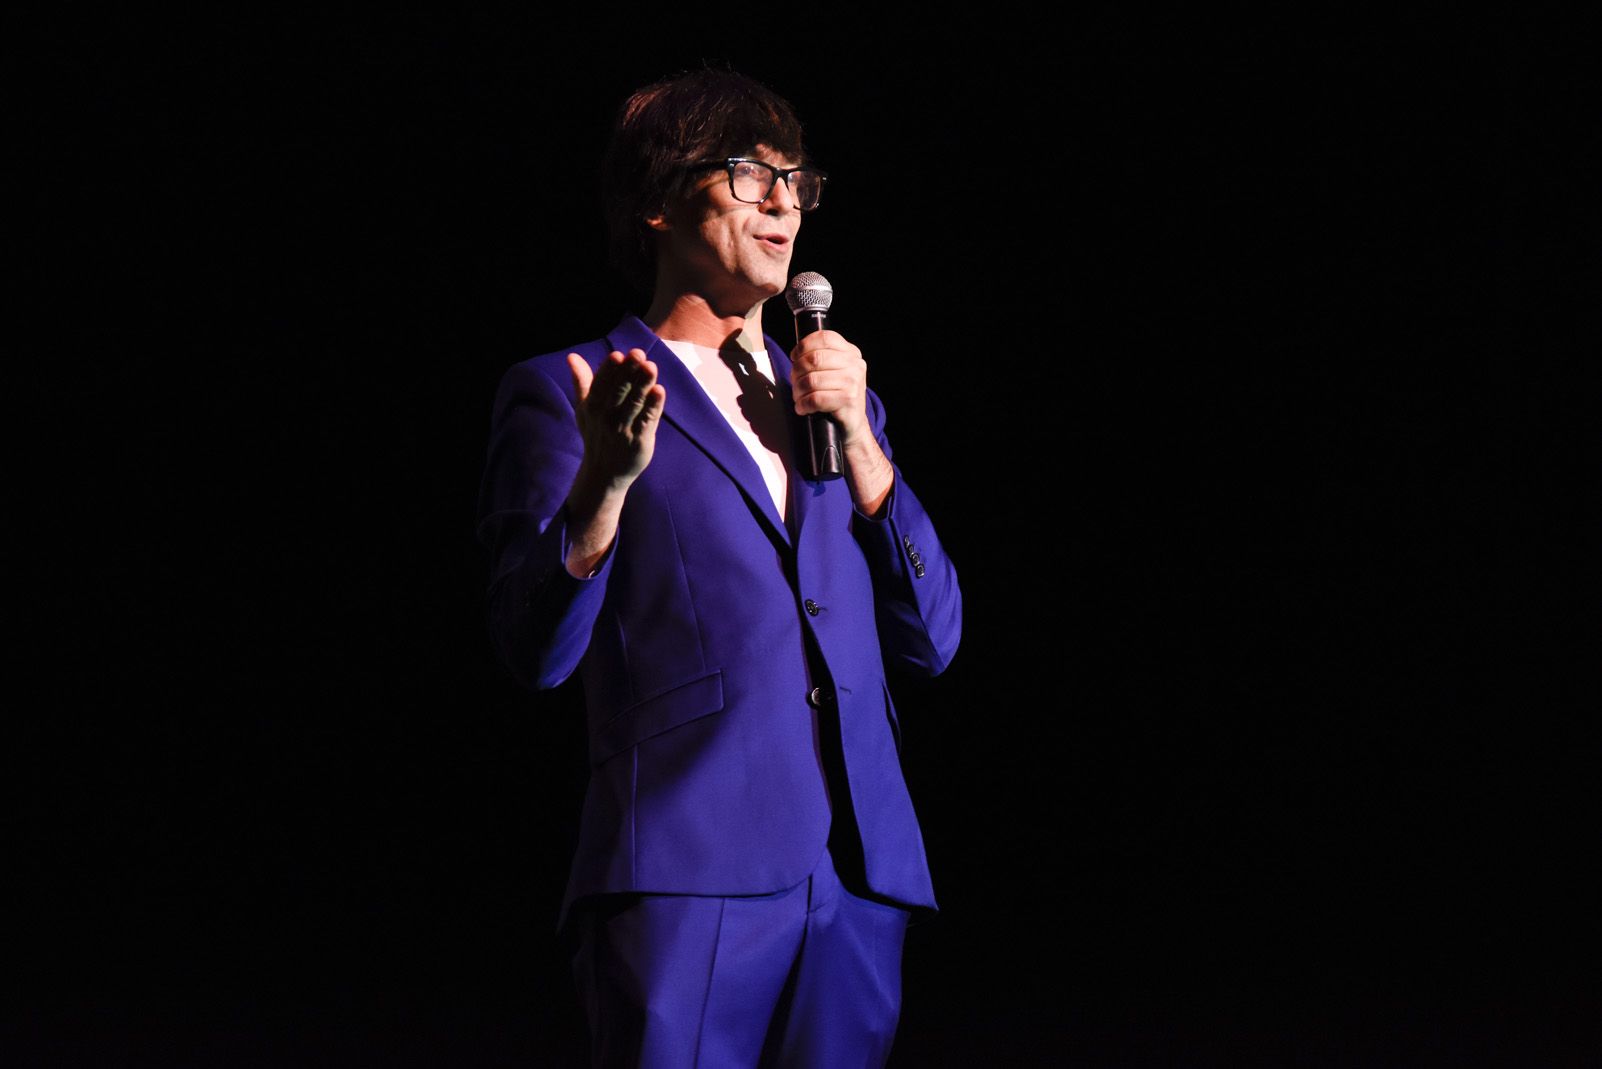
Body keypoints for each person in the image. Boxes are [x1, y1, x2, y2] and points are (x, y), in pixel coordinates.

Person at [477, 69, 961, 1067]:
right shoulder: (570, 388)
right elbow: (533, 651)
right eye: (750, 173)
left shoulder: (835, 396)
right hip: (687, 864)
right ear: (658, 202)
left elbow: (937, 635)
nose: (785, 200)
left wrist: (868, 453)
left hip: (860, 868)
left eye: (797, 179)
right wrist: (604, 485)